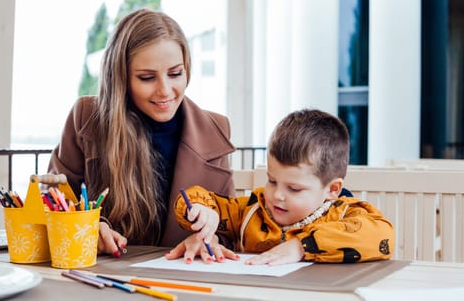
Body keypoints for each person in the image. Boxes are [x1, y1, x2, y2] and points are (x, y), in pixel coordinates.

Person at [46, 8, 236, 255]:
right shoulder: (86, 117)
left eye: (176, 73)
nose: (165, 90)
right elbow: (52, 202)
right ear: (121, 78)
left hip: (183, 278)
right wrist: (90, 229)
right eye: (147, 78)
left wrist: (211, 240)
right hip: (106, 279)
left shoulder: (216, 129)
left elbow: (230, 229)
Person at [168, 109, 395, 265]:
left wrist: (301, 247)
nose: (277, 195)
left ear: (332, 189)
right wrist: (201, 209)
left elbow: (384, 237)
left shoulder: (345, 214)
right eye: (272, 181)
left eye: (294, 189)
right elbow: (199, 197)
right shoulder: (252, 210)